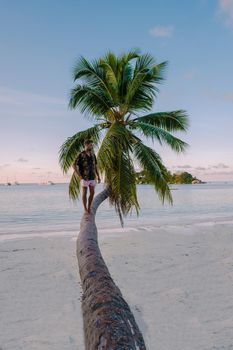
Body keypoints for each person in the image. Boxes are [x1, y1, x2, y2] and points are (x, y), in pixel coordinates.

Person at [72, 139, 101, 213]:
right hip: (84, 177)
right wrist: (79, 176)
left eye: (92, 145)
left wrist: (98, 176)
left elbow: (95, 166)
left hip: (92, 177)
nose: (92, 146)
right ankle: (85, 209)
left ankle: (89, 207)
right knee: (84, 193)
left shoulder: (93, 155)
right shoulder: (81, 154)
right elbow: (73, 165)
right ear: (86, 145)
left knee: (92, 193)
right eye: (91, 145)